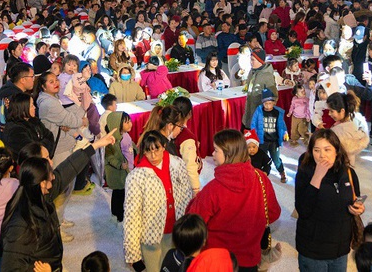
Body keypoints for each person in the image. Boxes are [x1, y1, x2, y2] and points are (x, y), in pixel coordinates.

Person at [0, 129, 117, 271]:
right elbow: (11, 268)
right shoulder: (20, 225)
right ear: (42, 181)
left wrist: (95, 146)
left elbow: (65, 170)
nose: (53, 175)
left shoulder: (39, 193)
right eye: (48, 158)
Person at [187, 129, 282, 272]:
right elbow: (274, 212)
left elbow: (192, 224)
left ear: (228, 154)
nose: (212, 154)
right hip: (250, 259)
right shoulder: (261, 178)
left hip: (217, 260)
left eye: (216, 150)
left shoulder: (212, 190)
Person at [123, 130, 195, 272]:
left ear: (164, 146)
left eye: (157, 149)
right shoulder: (136, 176)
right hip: (150, 237)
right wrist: (133, 253)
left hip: (175, 232)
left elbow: (187, 197)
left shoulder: (177, 164)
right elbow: (132, 215)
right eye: (149, 151)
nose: (153, 155)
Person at [295, 128, 364, 271]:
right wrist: (317, 177)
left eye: (327, 149)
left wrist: (358, 208)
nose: (321, 155)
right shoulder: (305, 172)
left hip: (340, 249)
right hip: (313, 251)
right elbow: (303, 210)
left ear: (336, 151)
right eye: (316, 150)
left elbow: (354, 198)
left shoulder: (349, 173)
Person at [1, 91, 56, 163]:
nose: (35, 108)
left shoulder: (33, 120)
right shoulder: (15, 130)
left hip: (41, 165)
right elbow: (32, 152)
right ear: (23, 108)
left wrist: (40, 145)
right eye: (32, 105)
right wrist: (43, 145)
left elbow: (49, 136)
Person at [249, 88, 288, 183]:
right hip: (262, 140)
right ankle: (261, 173)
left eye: (270, 103)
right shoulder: (258, 111)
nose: (268, 105)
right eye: (265, 103)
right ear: (262, 103)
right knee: (261, 157)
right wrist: (253, 136)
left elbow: (281, 125)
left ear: (274, 103)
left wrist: (285, 132)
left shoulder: (277, 112)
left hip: (274, 141)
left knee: (276, 158)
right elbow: (253, 124)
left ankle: (282, 172)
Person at [104, 110, 133, 222]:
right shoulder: (112, 140)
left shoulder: (125, 135)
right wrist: (120, 165)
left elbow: (131, 145)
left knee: (124, 192)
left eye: (129, 121)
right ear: (117, 124)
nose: (130, 124)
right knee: (118, 194)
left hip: (127, 169)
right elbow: (109, 157)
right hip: (118, 172)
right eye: (126, 122)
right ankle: (117, 215)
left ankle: (121, 213)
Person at [327, 90, 370, 162]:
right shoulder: (354, 120)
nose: (329, 114)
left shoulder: (344, 132)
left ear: (342, 111)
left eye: (331, 111)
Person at [241, 48, 277, 130]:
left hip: (260, 114)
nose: (251, 62)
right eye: (250, 59)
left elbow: (273, 96)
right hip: (249, 110)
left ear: (260, 61)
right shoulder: (252, 72)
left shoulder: (267, 76)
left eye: (253, 60)